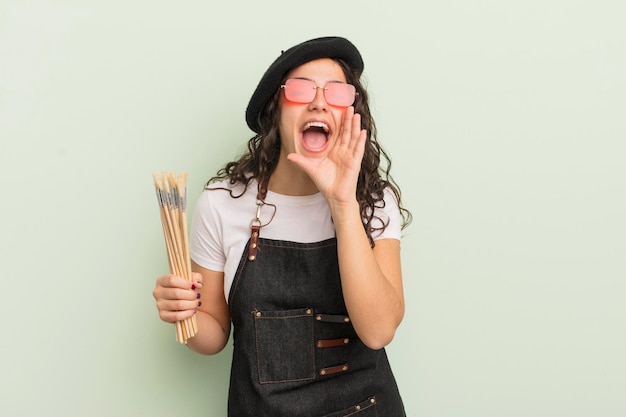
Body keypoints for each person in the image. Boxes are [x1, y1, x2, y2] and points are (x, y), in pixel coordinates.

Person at [153, 36, 412, 416]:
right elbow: (214, 336)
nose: (319, 101)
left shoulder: (374, 200)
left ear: (351, 114)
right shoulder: (222, 203)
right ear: (276, 109)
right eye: (302, 89)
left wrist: (342, 202)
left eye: (337, 92)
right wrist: (185, 315)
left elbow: (378, 331)